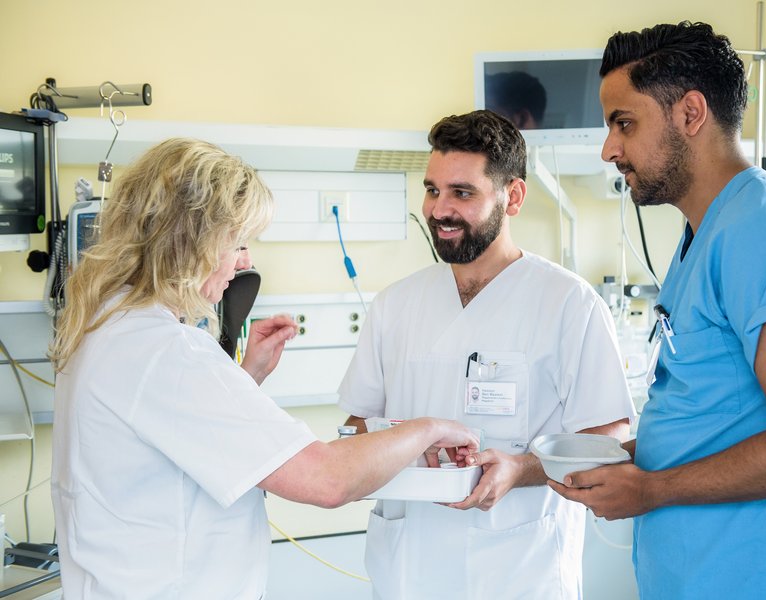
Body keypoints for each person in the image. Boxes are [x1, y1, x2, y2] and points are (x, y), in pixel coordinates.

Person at [48, 138, 479, 600]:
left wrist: (243, 378)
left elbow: (167, 435)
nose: (245, 261)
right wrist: (428, 428)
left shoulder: (107, 326)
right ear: (189, 240)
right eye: (237, 242)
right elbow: (328, 479)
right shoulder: (166, 351)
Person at [548, 21, 766, 599]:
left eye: (624, 123)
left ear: (691, 113)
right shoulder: (707, 234)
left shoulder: (765, 230)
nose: (608, 148)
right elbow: (720, 415)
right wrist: (630, 458)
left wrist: (652, 489)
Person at [338, 109, 635, 599]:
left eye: (462, 192)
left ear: (512, 196)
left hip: (519, 568)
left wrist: (521, 469)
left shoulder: (568, 304)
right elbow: (358, 424)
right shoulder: (395, 305)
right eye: (433, 190)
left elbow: (605, 443)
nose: (439, 210)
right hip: (408, 568)